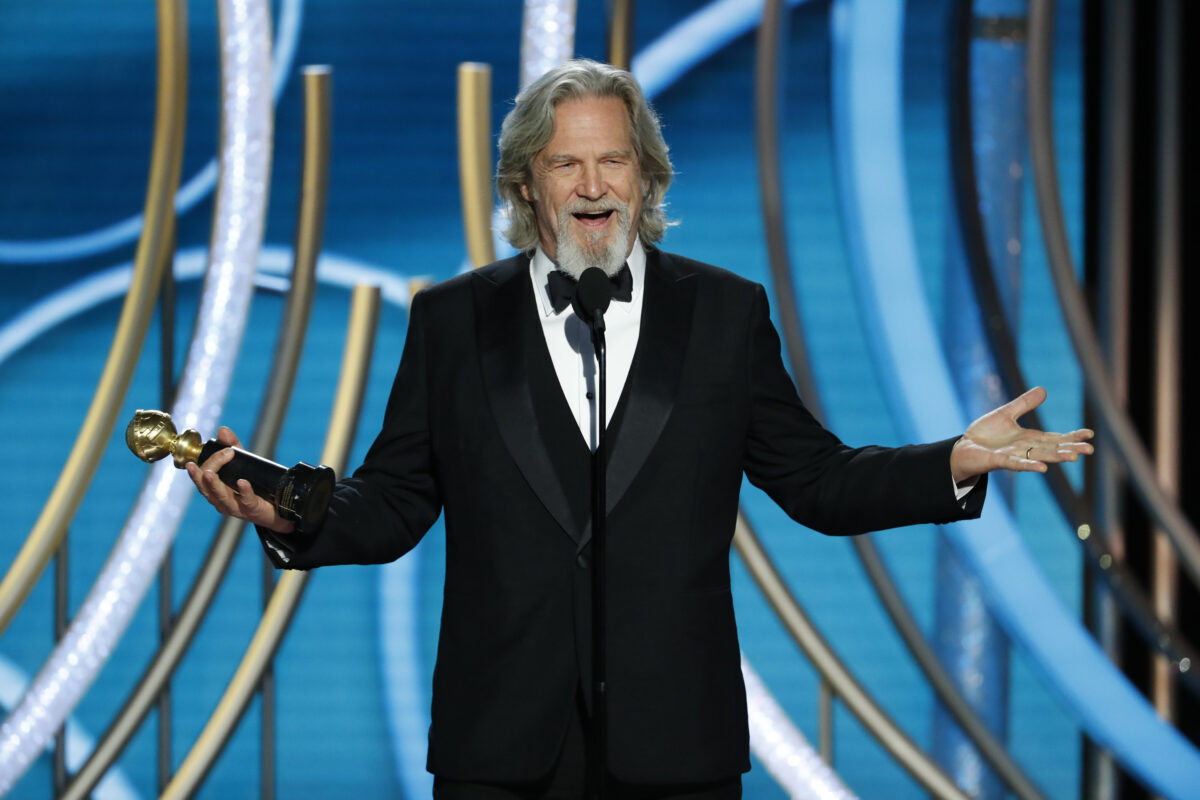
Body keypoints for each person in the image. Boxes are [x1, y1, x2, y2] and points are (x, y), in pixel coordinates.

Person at [188, 59, 1093, 799]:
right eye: (565, 164)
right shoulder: (452, 321)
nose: (592, 187)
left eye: (613, 162)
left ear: (646, 177)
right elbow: (393, 502)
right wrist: (289, 515)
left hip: (677, 749)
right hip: (501, 750)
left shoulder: (725, 314)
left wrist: (955, 460)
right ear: (524, 183)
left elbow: (819, 481)